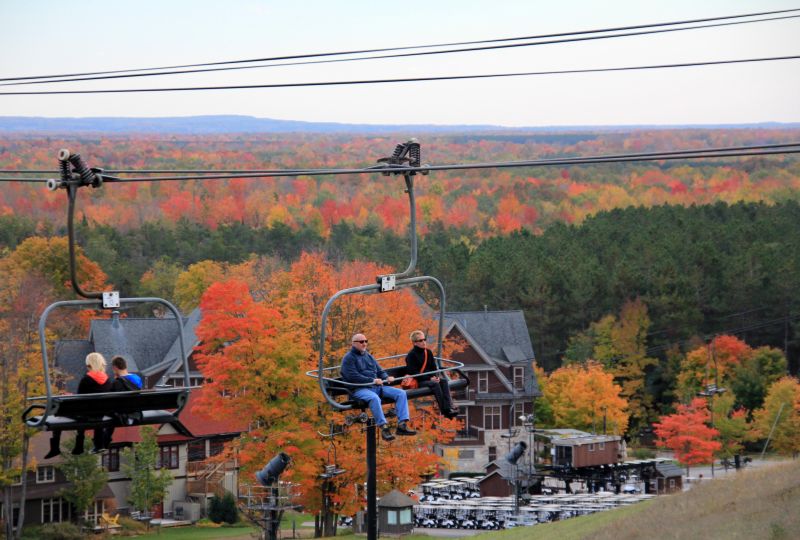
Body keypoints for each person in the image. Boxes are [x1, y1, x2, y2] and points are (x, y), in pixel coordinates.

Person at [341, 333, 416, 441]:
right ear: (354, 344)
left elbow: (379, 370)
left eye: (366, 341)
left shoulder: (368, 356)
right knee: (374, 398)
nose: (364, 344)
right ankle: (384, 428)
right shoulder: (348, 358)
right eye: (361, 342)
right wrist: (372, 380)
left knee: (401, 393)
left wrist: (387, 377)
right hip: (360, 389)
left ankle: (402, 425)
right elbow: (352, 376)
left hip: (377, 387)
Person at [44, 352, 113, 459]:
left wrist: (69, 396)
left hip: (85, 416)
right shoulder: (108, 380)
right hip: (100, 414)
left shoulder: (86, 379)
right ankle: (78, 445)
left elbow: (79, 400)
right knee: (82, 410)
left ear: (89, 365)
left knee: (58, 411)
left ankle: (55, 448)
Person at [404, 330, 459, 419]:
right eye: (420, 340)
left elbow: (433, 368)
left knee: (443, 381)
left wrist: (435, 377)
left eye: (424, 339)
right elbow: (414, 373)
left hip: (429, 378)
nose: (424, 342)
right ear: (414, 343)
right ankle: (445, 410)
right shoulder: (411, 355)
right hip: (418, 381)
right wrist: (430, 379)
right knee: (435, 384)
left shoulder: (428, 352)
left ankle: (449, 406)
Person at [99, 356, 144, 450]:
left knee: (108, 411)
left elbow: (108, 399)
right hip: (135, 411)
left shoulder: (116, 383)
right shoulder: (137, 378)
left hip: (122, 412)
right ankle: (104, 441)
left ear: (115, 367)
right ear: (125, 366)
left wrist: (116, 380)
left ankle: (104, 441)